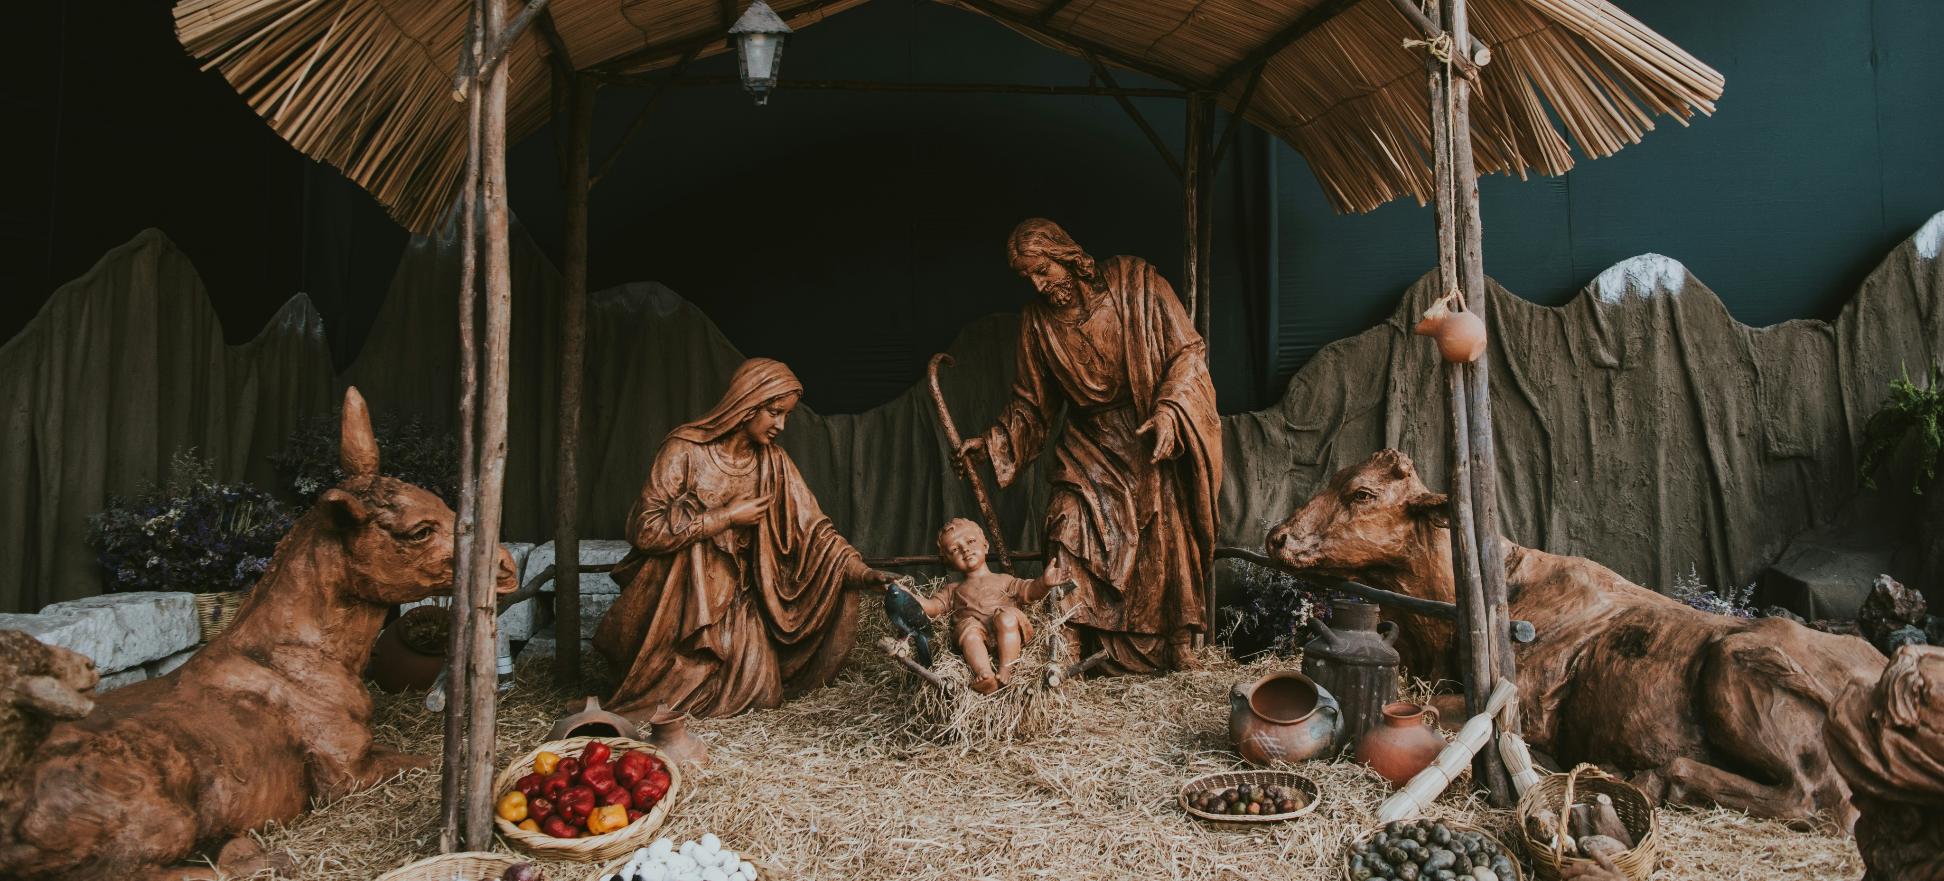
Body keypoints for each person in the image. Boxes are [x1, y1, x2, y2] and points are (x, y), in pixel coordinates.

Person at [955, 218, 1221, 673]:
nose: (1039, 286)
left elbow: (1187, 351)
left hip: (1145, 428)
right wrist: (995, 442)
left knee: (1165, 519)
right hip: (1087, 443)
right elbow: (1032, 403)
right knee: (1067, 524)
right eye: (1029, 278)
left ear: (1066, 256)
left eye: (1043, 271)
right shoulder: (1037, 325)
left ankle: (1177, 641)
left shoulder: (1136, 283)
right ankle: (1069, 641)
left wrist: (1169, 411)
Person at [593, 358, 899, 719]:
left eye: (786, 415)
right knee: (669, 702)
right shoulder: (685, 450)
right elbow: (645, 529)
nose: (781, 425)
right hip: (681, 605)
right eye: (774, 412)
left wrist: (861, 572)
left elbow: (815, 530)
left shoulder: (774, 463)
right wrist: (723, 518)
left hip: (740, 601)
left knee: (764, 696)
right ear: (746, 404)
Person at [906, 518, 1070, 694]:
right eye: (954, 549)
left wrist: (1044, 583)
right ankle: (985, 674)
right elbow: (932, 607)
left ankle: (1006, 669)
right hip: (977, 637)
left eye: (970, 541)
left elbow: (1029, 591)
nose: (965, 549)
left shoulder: (1004, 580)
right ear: (948, 561)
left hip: (1009, 633)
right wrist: (907, 596)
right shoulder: (953, 590)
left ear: (985, 545)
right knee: (967, 627)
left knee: (1006, 616)